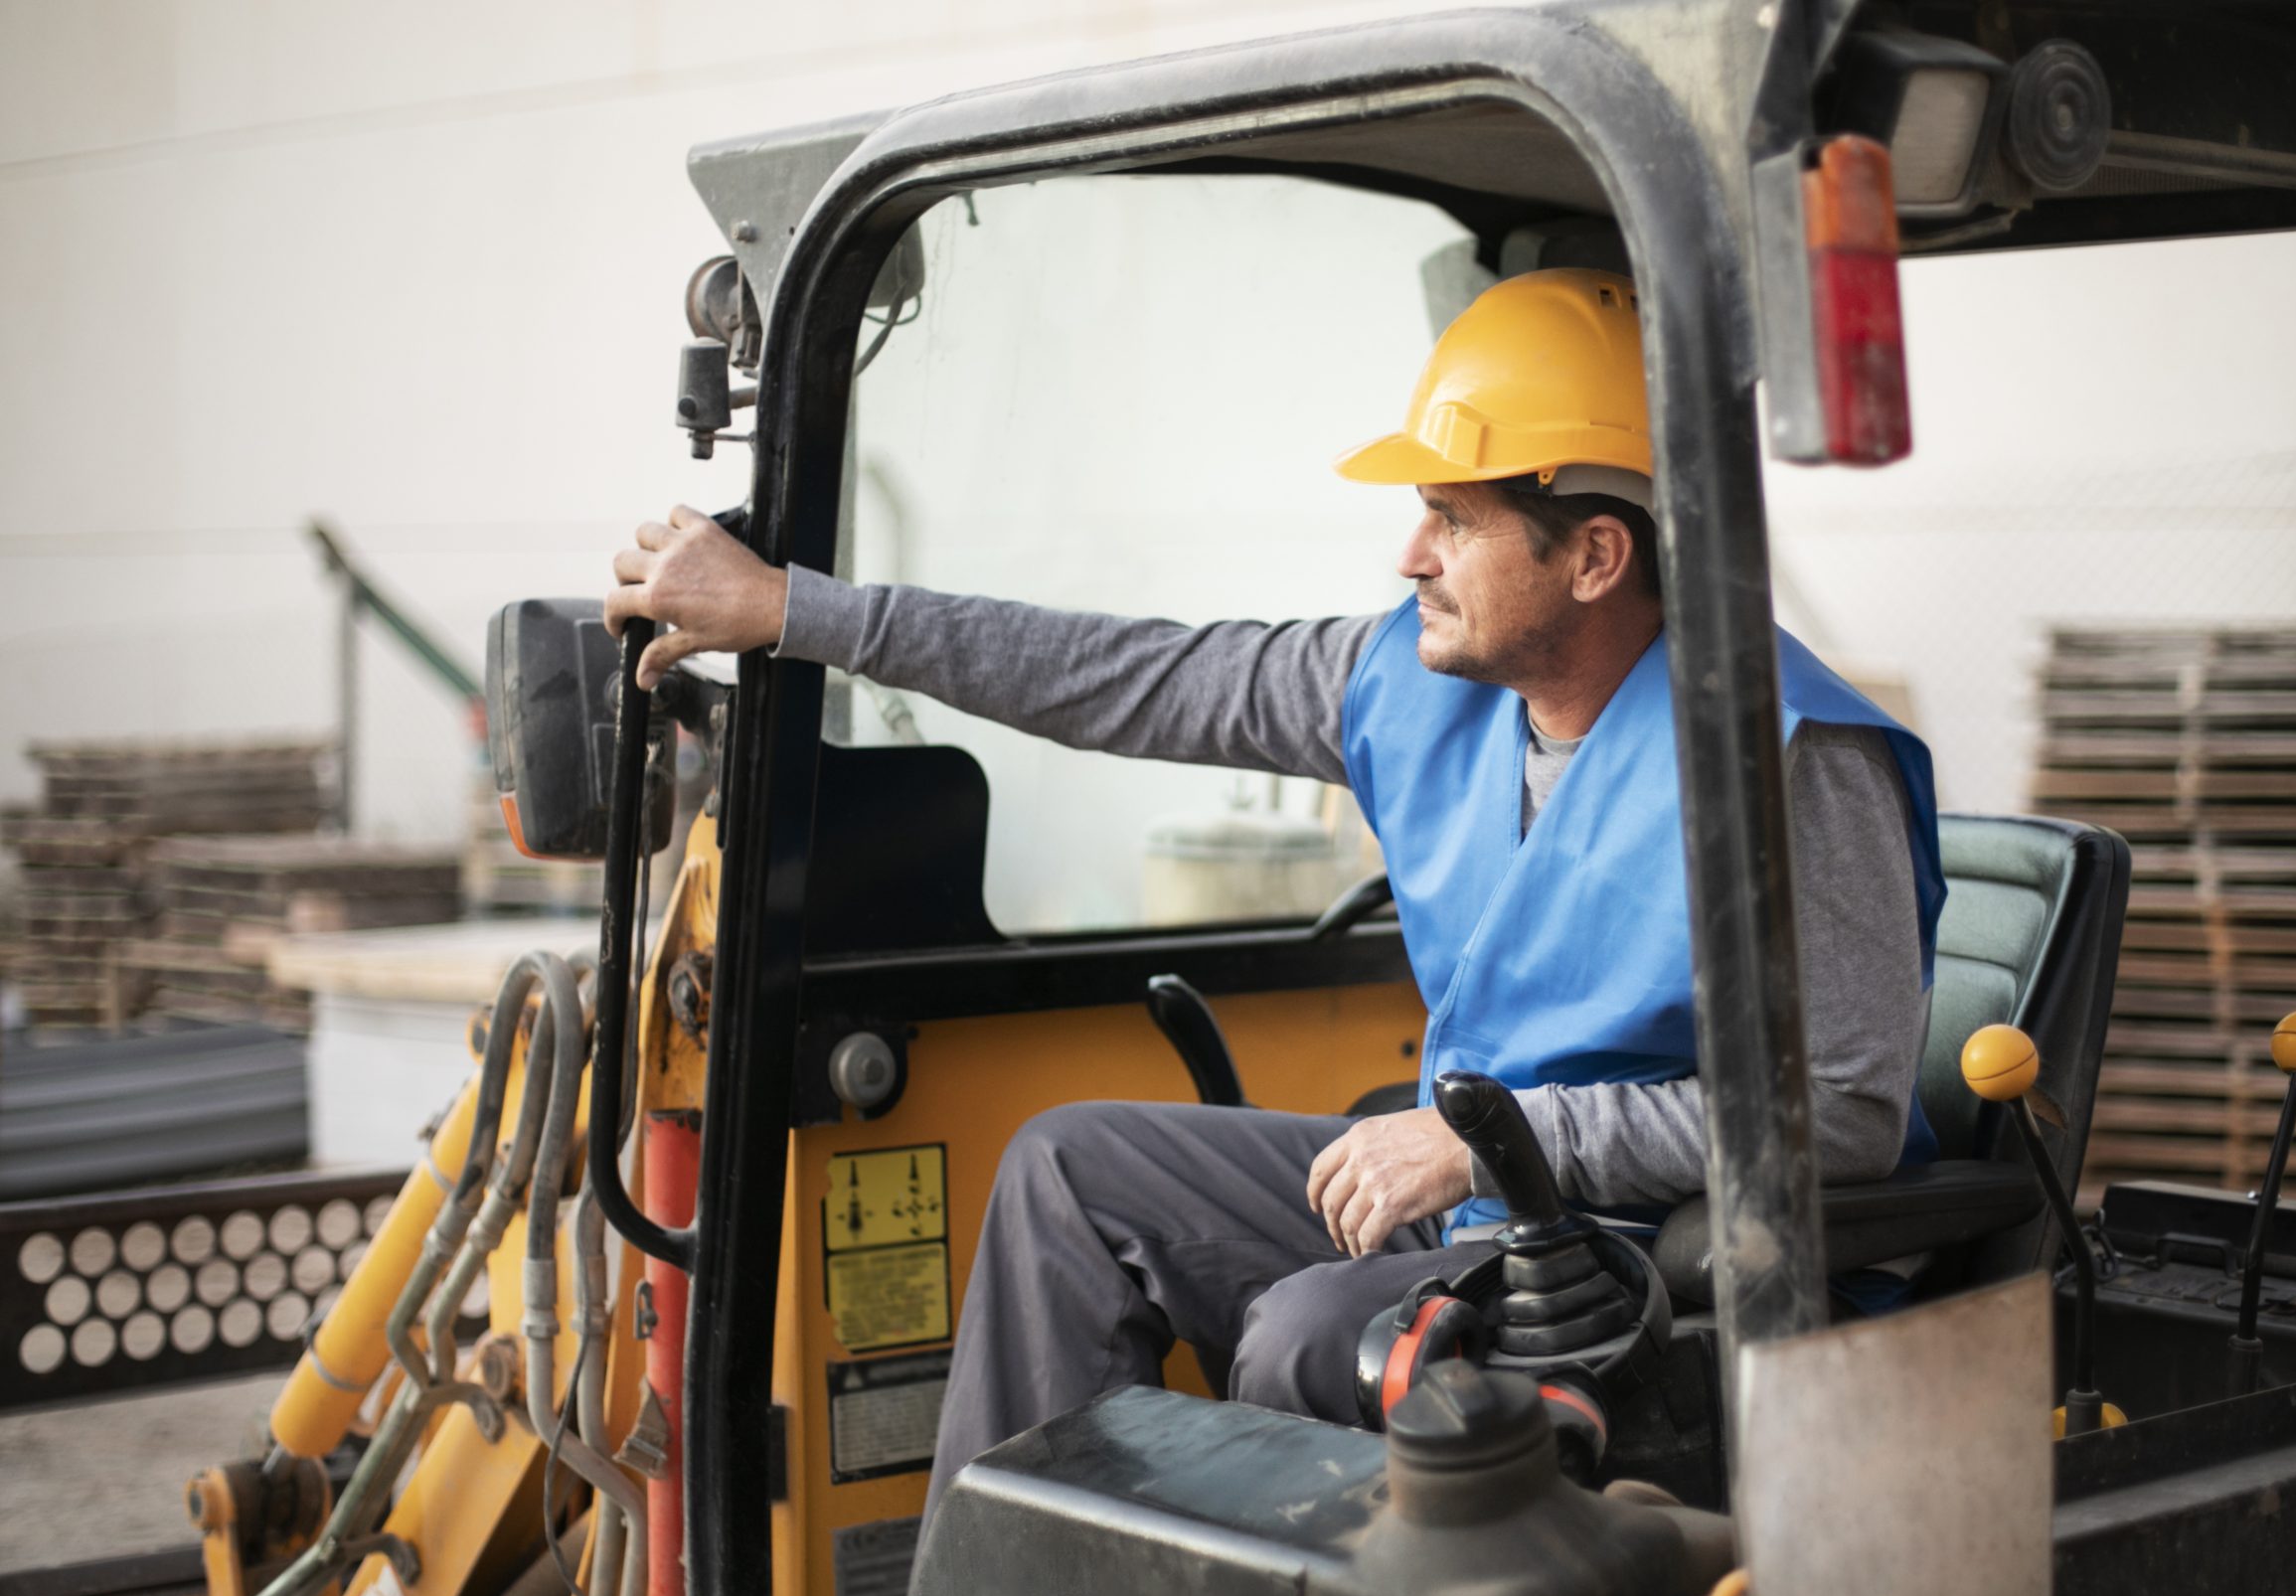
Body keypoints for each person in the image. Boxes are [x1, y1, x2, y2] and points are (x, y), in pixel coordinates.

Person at [603, 268, 1944, 1516]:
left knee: (1306, 1329)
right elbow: (1126, 675)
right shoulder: (1413, 688)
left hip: (1643, 1260)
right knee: (1075, 1172)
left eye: (1453, 519)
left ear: (1594, 556)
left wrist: (1491, 1139)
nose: (1411, 555)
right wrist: (796, 611)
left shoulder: (1792, 764)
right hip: (1482, 1194)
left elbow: (1840, 1115)